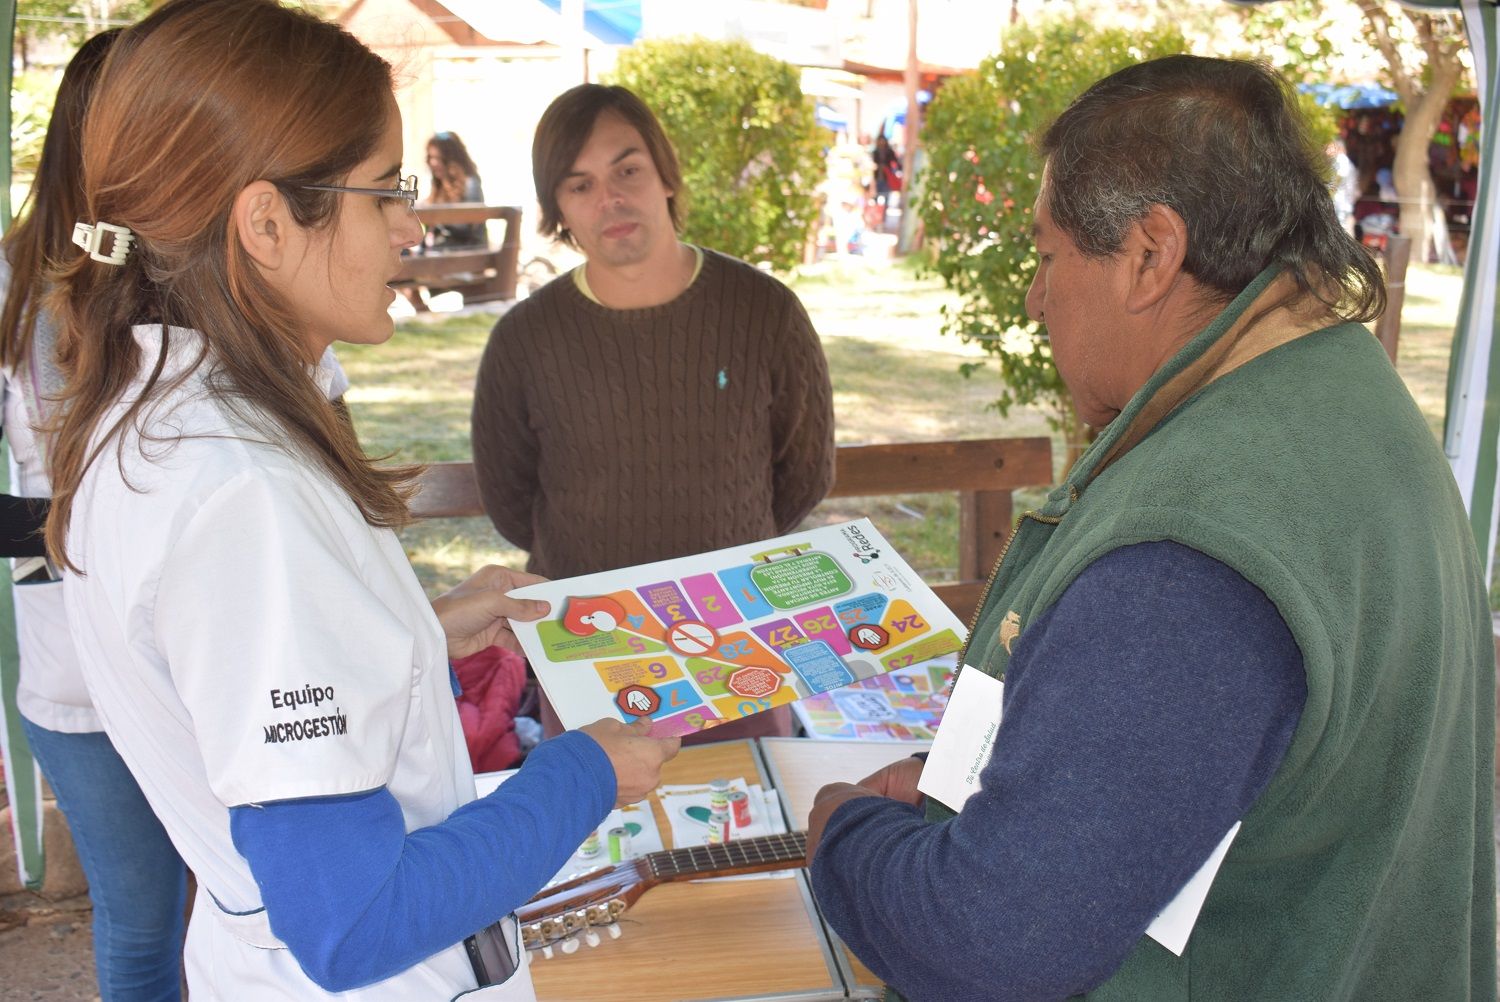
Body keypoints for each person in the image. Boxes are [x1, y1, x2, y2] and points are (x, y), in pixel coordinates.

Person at [806, 55, 1494, 1002]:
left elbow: (994, 943)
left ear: (1150, 254)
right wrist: (1037, 775)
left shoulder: (1192, 548)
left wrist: (842, 834)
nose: (1037, 300)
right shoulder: (1341, 395)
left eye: (1048, 257)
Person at [46, 3, 678, 999]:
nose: (410, 226)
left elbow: (237, 689)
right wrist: (585, 774)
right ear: (264, 222)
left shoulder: (154, 414)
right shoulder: (241, 495)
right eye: (383, 191)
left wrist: (413, 640)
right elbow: (353, 920)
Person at [471, 84, 835, 745]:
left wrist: (718, 559)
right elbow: (510, 498)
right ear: (559, 208)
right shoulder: (525, 339)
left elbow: (803, 473)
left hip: (739, 647)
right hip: (587, 649)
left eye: (627, 170)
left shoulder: (764, 313)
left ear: (665, 174)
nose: (609, 199)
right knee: (601, 840)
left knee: (746, 834)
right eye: (579, 185)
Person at [0, 31, 193, 1001]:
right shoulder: (10, 286)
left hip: (214, 663)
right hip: (81, 681)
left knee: (249, 904)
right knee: (143, 921)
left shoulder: (202, 267)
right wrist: (76, 530)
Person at [425, 131, 486, 249]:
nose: (433, 163)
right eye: (430, 157)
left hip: (467, 252)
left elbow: (468, 226)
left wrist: (436, 217)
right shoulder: (438, 184)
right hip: (444, 252)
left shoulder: (470, 183)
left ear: (451, 159)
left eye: (438, 158)